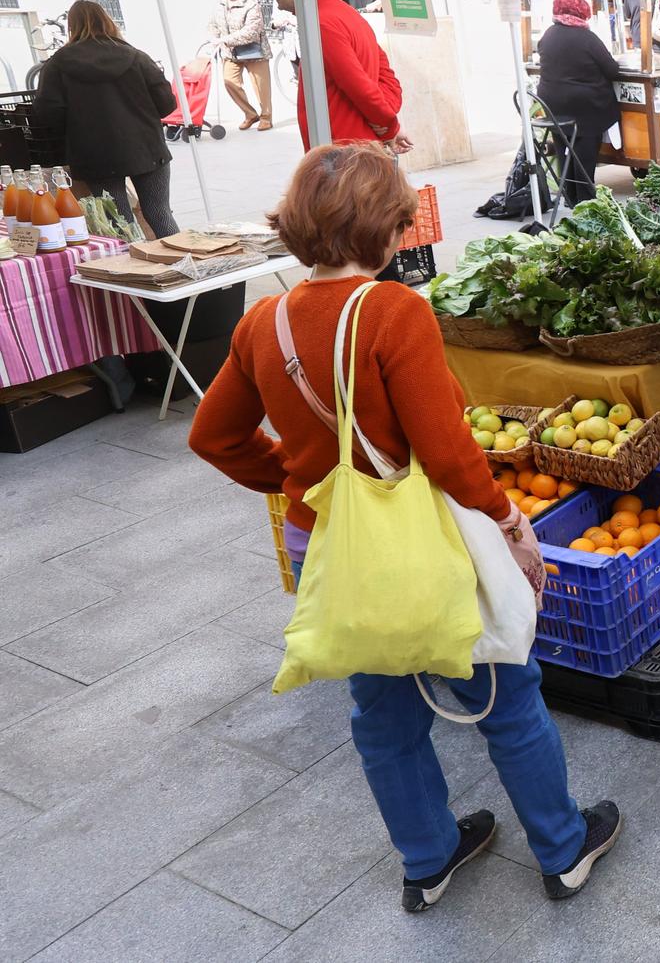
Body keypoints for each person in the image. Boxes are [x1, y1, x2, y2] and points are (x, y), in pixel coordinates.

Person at [188, 144, 622, 911]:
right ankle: (561, 848)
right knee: (505, 689)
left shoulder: (264, 321)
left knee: (380, 709)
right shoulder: (395, 310)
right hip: (423, 542)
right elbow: (449, 452)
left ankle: (428, 860)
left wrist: (301, 486)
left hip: (334, 545)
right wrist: (509, 520)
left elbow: (213, 437)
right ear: (387, 231)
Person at [31, 0, 180, 237]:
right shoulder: (135, 56)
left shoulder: (57, 64)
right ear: (107, 20)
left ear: (72, 26)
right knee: (159, 212)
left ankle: (134, 271)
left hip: (95, 154)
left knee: (118, 219)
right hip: (146, 147)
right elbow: (166, 103)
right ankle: (187, 266)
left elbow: (47, 113)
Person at [270, 0, 409, 153]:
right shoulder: (344, 12)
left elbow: (360, 85)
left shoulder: (321, 22)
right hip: (355, 148)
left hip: (344, 153)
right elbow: (385, 76)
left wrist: (388, 125)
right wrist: (387, 122)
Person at [536, 0, 623, 205]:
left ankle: (570, 195)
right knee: (584, 145)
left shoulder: (548, 35)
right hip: (584, 108)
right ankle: (585, 198)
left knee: (565, 143)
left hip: (552, 105)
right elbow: (612, 70)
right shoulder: (587, 38)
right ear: (581, 13)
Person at [209, 0, 273, 131]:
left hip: (255, 52)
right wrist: (214, 38)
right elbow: (213, 24)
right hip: (230, 53)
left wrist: (225, 39)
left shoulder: (251, 4)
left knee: (261, 88)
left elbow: (251, 32)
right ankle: (250, 114)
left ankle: (266, 117)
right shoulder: (220, 5)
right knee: (229, 82)